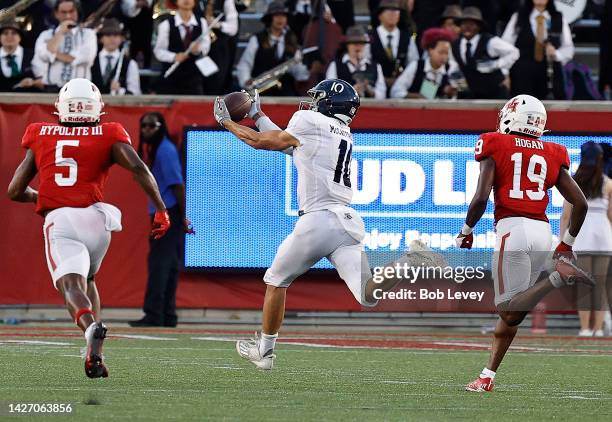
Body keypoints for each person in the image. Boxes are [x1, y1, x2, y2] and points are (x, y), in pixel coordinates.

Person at [213, 80, 445, 369]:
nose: (311, 103)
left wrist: (226, 122)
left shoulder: (308, 120)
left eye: (318, 98)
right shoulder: (343, 133)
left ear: (329, 103)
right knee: (368, 293)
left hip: (317, 220)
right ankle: (410, 261)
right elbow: (288, 144)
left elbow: (263, 142)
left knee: (275, 281)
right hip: (346, 221)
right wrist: (258, 116)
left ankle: (265, 352)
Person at [7, 78, 170, 378]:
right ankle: (95, 355)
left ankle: (91, 327)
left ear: (61, 107)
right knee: (90, 281)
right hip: (98, 221)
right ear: (97, 108)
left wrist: (41, 197)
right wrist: (161, 209)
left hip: (62, 220)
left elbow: (15, 190)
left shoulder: (40, 133)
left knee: (72, 286)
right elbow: (138, 168)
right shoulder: (109, 132)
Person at [456, 94, 593, 392]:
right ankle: (487, 376)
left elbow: (481, 197)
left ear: (512, 116)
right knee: (515, 311)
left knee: (508, 308)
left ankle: (558, 277)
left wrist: (466, 230)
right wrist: (566, 244)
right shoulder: (554, 151)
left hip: (512, 228)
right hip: (542, 233)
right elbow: (580, 203)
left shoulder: (494, 142)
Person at [129, 112, 194, 328]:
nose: (146, 130)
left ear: (161, 127)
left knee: (159, 263)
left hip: (167, 212)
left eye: (151, 126)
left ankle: (155, 313)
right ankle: (167, 314)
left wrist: (182, 217)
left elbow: (178, 185)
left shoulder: (165, 150)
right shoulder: (158, 149)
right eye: (144, 126)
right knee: (169, 264)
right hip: (166, 210)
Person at [561, 142, 612, 337]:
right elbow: (611, 216)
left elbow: (566, 215)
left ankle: (585, 329)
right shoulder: (608, 184)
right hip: (603, 237)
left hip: (580, 235)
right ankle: (597, 329)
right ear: (600, 160)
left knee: (584, 284)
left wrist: (562, 240)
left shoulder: (572, 182)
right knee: (600, 284)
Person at [501, 0, 574, 100]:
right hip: (522, 73)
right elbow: (506, 45)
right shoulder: (519, 16)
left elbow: (568, 47)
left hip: (549, 73)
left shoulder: (558, 17)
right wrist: (505, 72)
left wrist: (556, 54)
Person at [236, 1, 309, 96]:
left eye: (283, 16)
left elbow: (300, 75)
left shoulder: (292, 40)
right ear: (270, 19)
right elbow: (245, 64)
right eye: (276, 16)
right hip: (261, 91)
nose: (280, 19)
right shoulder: (257, 39)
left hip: (285, 93)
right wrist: (246, 80)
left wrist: (301, 65)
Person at [449, 6, 518, 99]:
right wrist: (462, 87)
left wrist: (496, 64)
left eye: (472, 24)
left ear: (478, 26)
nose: (467, 27)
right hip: (472, 95)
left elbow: (514, 52)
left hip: (495, 93)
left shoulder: (490, 41)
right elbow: (455, 68)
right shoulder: (455, 45)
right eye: (464, 24)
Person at [32, 0, 97, 92]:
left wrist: (54, 54)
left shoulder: (88, 34)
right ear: (56, 14)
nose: (68, 16)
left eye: (71, 11)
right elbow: (44, 56)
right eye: (63, 12)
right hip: (52, 89)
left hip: (80, 90)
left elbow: (87, 58)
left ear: (77, 12)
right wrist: (60, 33)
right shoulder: (46, 35)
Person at [153, 0, 211, 95]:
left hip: (194, 80)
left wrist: (198, 49)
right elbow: (158, 51)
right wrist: (174, 57)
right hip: (171, 80)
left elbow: (206, 46)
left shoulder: (202, 22)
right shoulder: (166, 25)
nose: (186, 0)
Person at [368, 0, 420, 95]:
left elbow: (414, 63)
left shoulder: (407, 38)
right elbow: (365, 63)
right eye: (388, 11)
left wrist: (401, 80)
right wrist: (382, 80)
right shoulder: (369, 38)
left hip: (401, 88)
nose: (392, 14)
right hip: (375, 88)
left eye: (396, 11)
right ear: (379, 16)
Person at [390, 27, 457, 99]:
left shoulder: (451, 67)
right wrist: (414, 97)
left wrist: (451, 92)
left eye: (446, 53)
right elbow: (395, 91)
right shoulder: (416, 66)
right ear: (430, 50)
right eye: (441, 52)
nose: (444, 57)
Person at [326, 25, 386, 99]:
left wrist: (370, 91)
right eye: (354, 43)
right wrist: (350, 91)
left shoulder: (375, 66)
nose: (358, 46)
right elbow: (329, 92)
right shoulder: (335, 65)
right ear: (347, 45)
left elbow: (382, 92)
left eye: (361, 43)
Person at [90, 18, 141, 95]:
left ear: (121, 38)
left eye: (116, 35)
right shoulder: (90, 60)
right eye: (108, 35)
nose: (112, 38)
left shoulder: (130, 64)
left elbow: (135, 94)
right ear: (101, 38)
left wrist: (120, 90)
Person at [201, 0, 239, 95]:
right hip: (197, 46)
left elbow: (233, 28)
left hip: (218, 49)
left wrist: (216, 24)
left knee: (216, 84)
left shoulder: (226, 1)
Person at [0, 20, 44, 92]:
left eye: (14, 33)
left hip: (29, 100)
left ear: (20, 37)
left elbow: (43, 78)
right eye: (5, 33)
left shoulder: (33, 55)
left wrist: (33, 82)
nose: (9, 36)